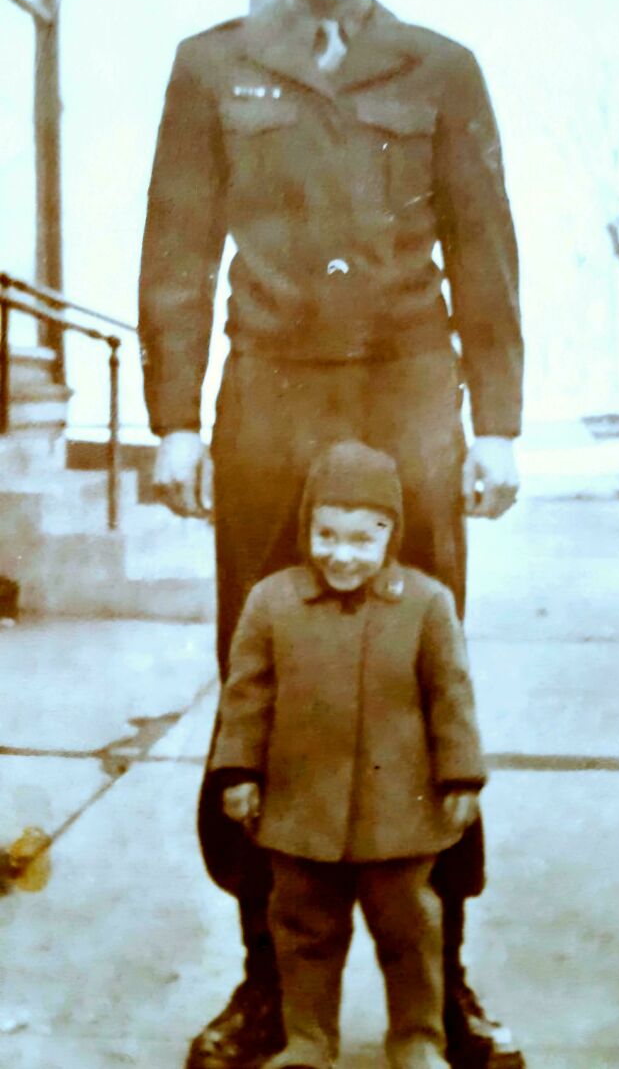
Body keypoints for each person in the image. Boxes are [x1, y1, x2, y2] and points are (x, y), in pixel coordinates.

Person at [138, 0, 525, 1069]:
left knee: (420, 679)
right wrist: (171, 418)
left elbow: (485, 246)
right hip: (268, 407)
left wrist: (499, 422)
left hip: (410, 397)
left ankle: (441, 982)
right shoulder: (212, 66)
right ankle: (265, 984)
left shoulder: (442, 70)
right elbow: (177, 249)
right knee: (264, 676)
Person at [212, 440, 487, 1069]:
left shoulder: (426, 604)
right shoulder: (272, 602)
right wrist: (239, 770)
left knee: (409, 932)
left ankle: (417, 1037)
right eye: (326, 533)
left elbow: (451, 695)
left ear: (393, 535)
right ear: (307, 525)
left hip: (399, 814)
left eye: (364, 538)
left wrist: (459, 777)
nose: (342, 554)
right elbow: (246, 694)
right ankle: (307, 1039)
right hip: (299, 809)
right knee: (304, 932)